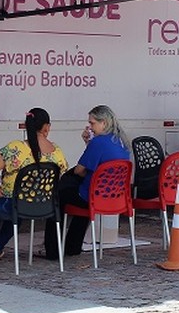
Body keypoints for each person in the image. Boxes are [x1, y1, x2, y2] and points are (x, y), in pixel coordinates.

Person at [0, 108, 68, 262]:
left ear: (27, 126)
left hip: (16, 204)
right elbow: (62, 174)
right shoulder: (57, 152)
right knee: (17, 207)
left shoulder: (16, 148)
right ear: (47, 128)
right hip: (45, 206)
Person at [50, 105, 131, 259]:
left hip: (92, 196)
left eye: (92, 123)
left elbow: (79, 170)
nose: (90, 127)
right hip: (114, 197)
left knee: (57, 196)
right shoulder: (122, 141)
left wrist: (89, 144)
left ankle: (53, 249)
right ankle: (72, 246)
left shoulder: (99, 142)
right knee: (80, 192)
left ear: (104, 123)